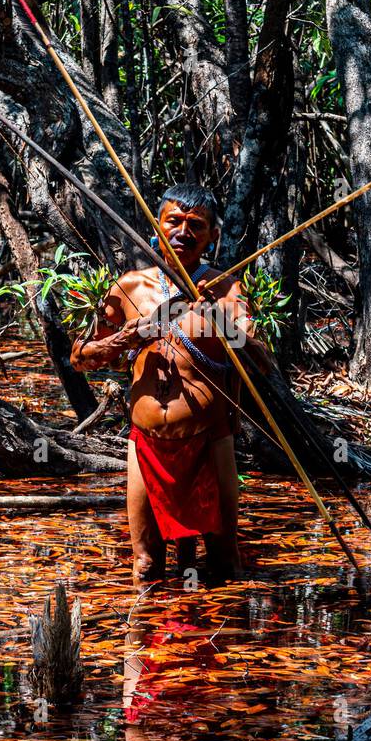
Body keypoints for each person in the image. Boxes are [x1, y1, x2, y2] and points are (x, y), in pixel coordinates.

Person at [69, 183, 271, 587]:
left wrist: (223, 324)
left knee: (223, 564)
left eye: (196, 225)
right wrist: (128, 336)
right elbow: (80, 359)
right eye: (173, 222)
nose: (183, 232)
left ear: (213, 234)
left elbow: (261, 363)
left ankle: (218, 647)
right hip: (145, 442)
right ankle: (147, 647)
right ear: (157, 227)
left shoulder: (226, 289)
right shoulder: (130, 287)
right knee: (146, 566)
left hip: (210, 441)